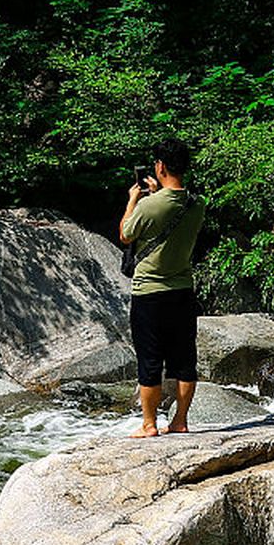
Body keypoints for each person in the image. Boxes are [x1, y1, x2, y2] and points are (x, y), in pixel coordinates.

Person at [119, 136, 207, 437]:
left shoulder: (148, 205)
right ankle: (180, 421)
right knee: (184, 358)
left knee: (150, 359)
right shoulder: (198, 205)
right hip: (183, 291)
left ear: (160, 166)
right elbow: (171, 214)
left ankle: (149, 424)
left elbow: (126, 235)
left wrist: (134, 200)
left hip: (149, 294)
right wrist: (155, 196)